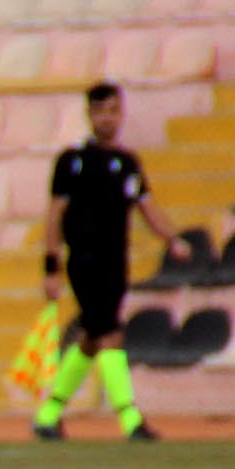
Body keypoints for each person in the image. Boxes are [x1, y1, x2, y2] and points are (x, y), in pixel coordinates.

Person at [34, 82, 179, 442]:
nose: (107, 118)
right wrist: (50, 268)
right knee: (110, 333)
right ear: (89, 114)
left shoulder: (128, 164)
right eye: (100, 111)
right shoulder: (72, 162)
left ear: (121, 113)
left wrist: (173, 239)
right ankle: (130, 420)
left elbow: (148, 207)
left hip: (117, 263)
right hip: (83, 261)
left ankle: (48, 413)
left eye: (113, 110)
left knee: (91, 338)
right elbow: (54, 216)